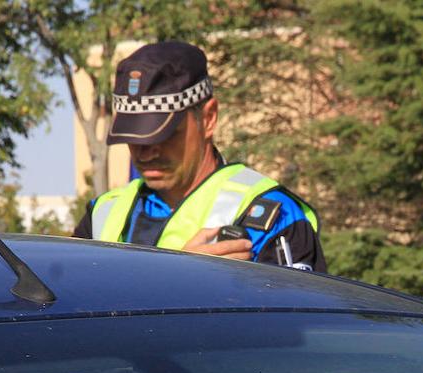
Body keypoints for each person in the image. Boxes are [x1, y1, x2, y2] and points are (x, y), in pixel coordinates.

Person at [72, 41, 325, 272]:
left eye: (163, 134)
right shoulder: (101, 215)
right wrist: (182, 277)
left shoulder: (272, 215)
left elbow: (294, 321)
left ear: (208, 118)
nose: (145, 150)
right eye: (135, 137)